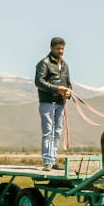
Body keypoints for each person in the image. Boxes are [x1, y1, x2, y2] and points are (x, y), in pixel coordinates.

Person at [35, 37, 73, 171]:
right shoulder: (44, 63)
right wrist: (57, 89)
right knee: (48, 132)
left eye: (62, 49)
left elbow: (68, 84)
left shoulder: (65, 65)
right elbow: (38, 82)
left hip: (60, 104)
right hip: (47, 102)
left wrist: (68, 92)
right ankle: (47, 162)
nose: (61, 51)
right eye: (58, 49)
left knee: (57, 132)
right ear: (51, 48)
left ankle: (53, 160)